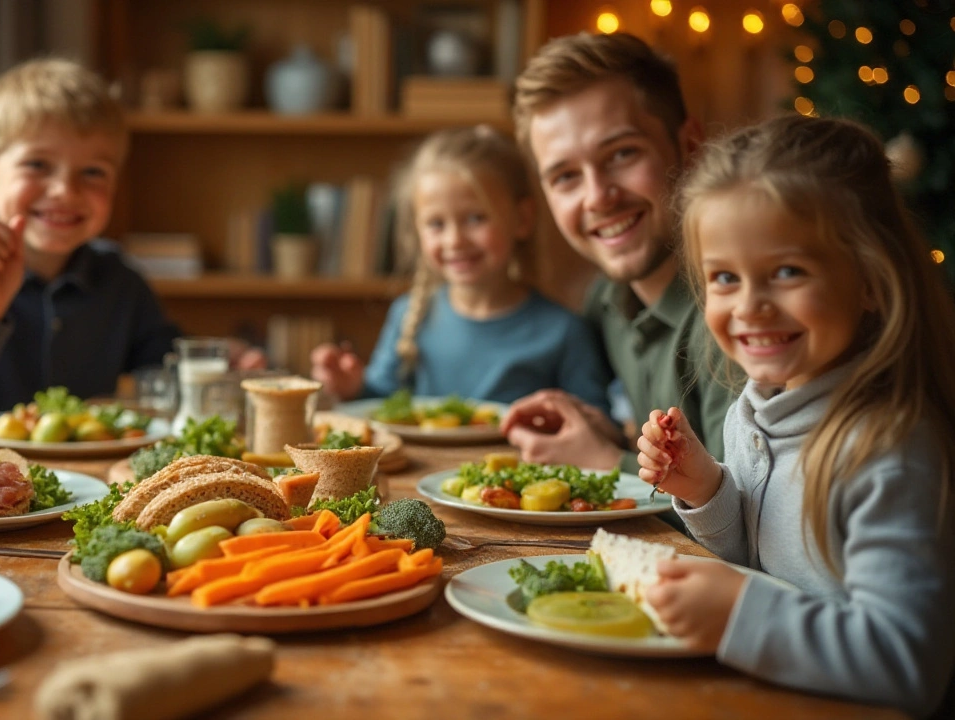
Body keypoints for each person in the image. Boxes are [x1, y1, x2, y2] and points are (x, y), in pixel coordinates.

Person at [636, 116, 955, 717]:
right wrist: (707, 489)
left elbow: (908, 662)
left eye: (787, 272)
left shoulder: (888, 452)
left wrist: (736, 613)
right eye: (725, 277)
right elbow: (764, 560)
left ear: (869, 280)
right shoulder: (752, 410)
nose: (751, 306)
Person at [0, 58, 183, 414]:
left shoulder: (122, 280)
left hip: (91, 471)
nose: (64, 190)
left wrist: (219, 365)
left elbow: (168, 378)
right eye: (37, 165)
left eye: (92, 172)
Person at [501, 32, 734, 474]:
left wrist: (605, 462)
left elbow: (749, 516)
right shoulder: (604, 301)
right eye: (566, 176)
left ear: (691, 147)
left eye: (622, 153)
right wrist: (600, 432)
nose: (598, 197)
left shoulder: (735, 313)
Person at [310, 125, 610, 408]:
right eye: (436, 224)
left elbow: (596, 427)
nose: (454, 241)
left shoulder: (564, 332)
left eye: (476, 218)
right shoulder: (408, 316)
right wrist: (351, 387)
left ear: (522, 219)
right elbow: (380, 404)